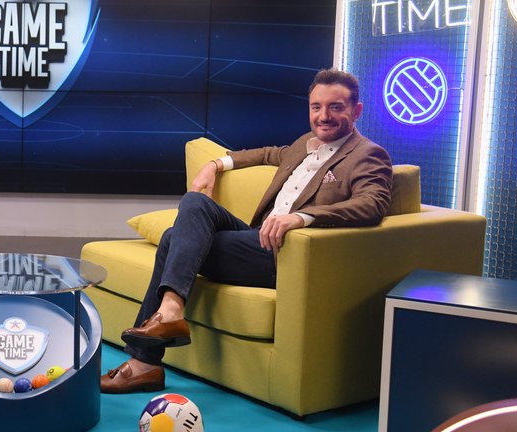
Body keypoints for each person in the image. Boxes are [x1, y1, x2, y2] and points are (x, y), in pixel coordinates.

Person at [101, 68, 393, 393]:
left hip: (286, 254)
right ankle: (169, 312)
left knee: (172, 240)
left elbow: (372, 204)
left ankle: (145, 362)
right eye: (316, 107)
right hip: (256, 239)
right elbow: (266, 154)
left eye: (335, 107)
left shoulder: (368, 155)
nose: (323, 116)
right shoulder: (304, 144)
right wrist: (215, 164)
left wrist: (303, 218)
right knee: (196, 203)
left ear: (356, 110)